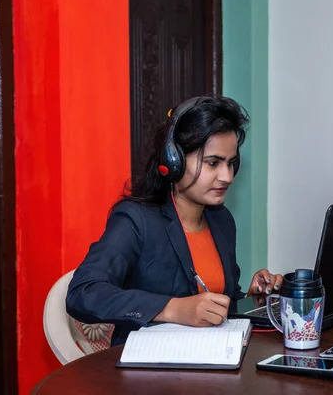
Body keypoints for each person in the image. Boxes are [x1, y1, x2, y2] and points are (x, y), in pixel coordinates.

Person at [66, 95, 283, 346]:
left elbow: (218, 305)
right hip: (147, 377)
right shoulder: (135, 220)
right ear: (174, 161)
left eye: (231, 163)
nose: (227, 176)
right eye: (213, 163)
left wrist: (251, 299)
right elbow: (83, 293)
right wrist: (171, 309)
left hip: (210, 368)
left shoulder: (221, 220)